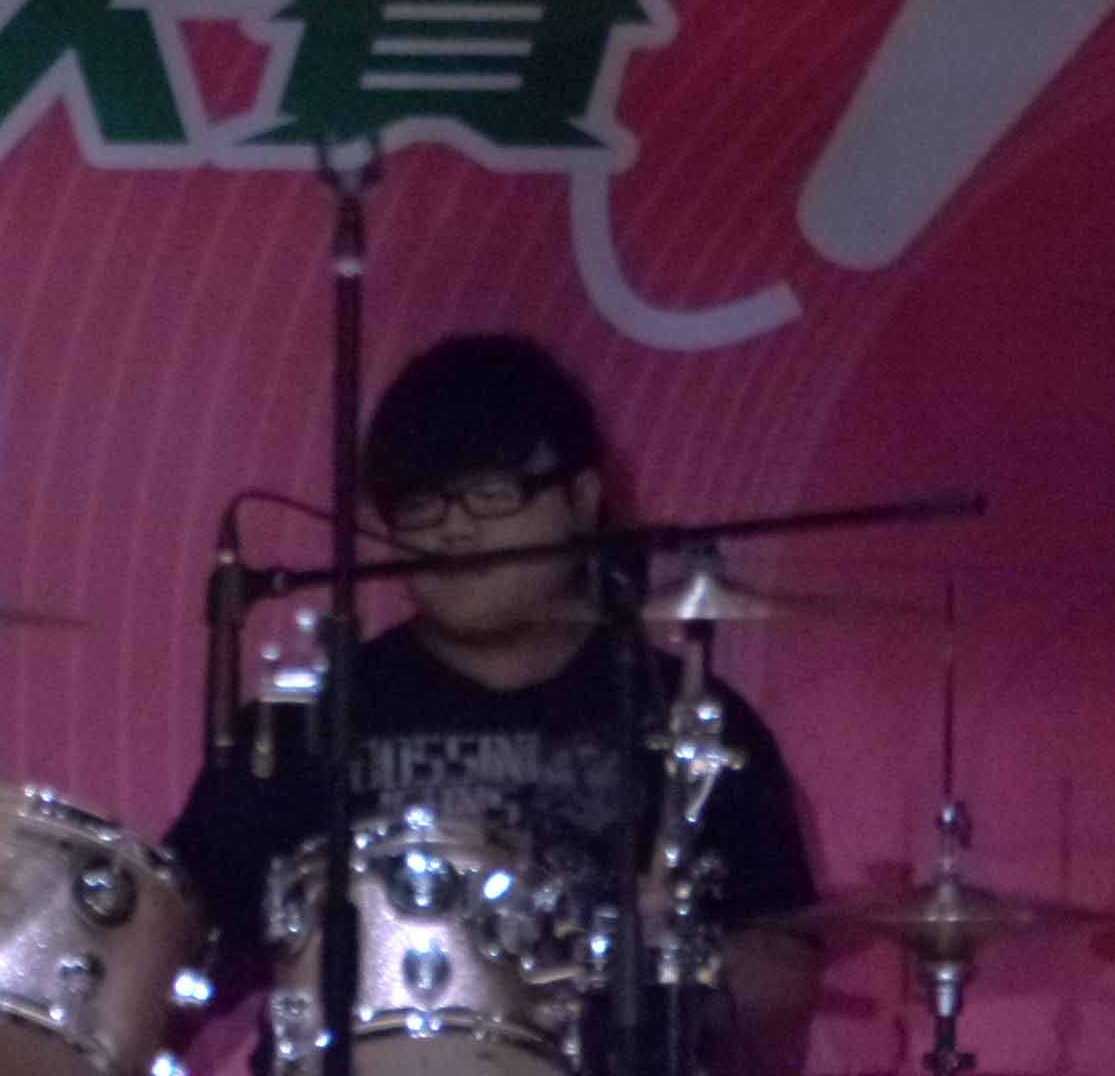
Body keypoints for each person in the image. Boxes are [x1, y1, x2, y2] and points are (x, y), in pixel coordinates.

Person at [165, 333, 822, 1075]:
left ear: (582, 498)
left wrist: (669, 964)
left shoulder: (683, 713)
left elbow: (779, 980)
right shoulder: (305, 717)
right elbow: (178, 940)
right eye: (421, 505)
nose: (455, 529)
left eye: (492, 494)